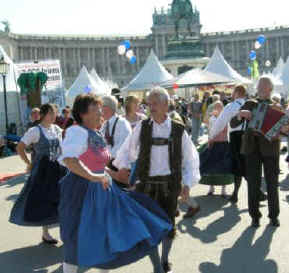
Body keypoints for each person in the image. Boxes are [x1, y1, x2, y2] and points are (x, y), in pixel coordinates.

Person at [58, 93, 172, 273]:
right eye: (95, 109)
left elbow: (97, 165)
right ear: (83, 114)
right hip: (81, 192)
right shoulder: (76, 132)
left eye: (100, 108)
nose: (100, 113)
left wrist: (114, 175)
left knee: (111, 235)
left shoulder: (95, 132)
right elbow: (70, 160)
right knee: (77, 239)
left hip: (103, 189)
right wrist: (94, 177)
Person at [113, 87, 200, 273]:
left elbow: (190, 158)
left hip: (170, 186)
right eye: (149, 103)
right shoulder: (142, 128)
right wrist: (123, 168)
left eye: (154, 103)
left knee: (169, 226)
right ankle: (156, 267)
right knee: (149, 228)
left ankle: (164, 259)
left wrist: (187, 183)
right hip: (146, 186)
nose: (150, 107)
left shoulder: (179, 130)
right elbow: (127, 150)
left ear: (166, 104)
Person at [9, 104, 67, 244]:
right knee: (44, 201)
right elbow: (20, 147)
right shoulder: (35, 131)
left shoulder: (57, 129)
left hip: (58, 169)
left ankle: (65, 231)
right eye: (51, 113)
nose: (54, 116)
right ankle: (45, 233)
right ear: (43, 115)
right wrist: (28, 163)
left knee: (62, 199)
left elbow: (64, 146)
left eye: (55, 113)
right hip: (43, 171)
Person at [231, 77, 282, 228]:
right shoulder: (250, 103)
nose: (259, 88)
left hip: (271, 149)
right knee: (253, 183)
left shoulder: (276, 107)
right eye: (259, 85)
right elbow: (233, 123)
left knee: (272, 183)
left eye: (263, 86)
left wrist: (284, 127)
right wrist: (240, 115)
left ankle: (274, 216)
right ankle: (255, 216)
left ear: (270, 89)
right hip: (251, 148)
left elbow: (284, 130)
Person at [207, 85, 247, 203]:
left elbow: (220, 122)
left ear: (237, 93)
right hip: (249, 137)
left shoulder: (231, 106)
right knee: (245, 166)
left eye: (233, 92)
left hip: (236, 138)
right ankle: (235, 194)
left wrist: (211, 136)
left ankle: (248, 192)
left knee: (238, 167)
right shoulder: (250, 104)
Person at [200, 101, 233, 197]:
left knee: (224, 168)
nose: (217, 109)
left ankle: (223, 190)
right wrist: (210, 139)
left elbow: (224, 131)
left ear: (223, 109)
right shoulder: (212, 118)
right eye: (215, 107)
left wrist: (213, 139)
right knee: (210, 166)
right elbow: (207, 126)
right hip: (213, 144)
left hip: (223, 144)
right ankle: (211, 188)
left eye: (219, 107)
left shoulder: (225, 119)